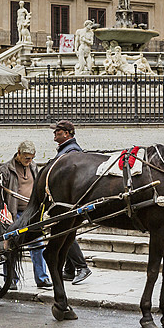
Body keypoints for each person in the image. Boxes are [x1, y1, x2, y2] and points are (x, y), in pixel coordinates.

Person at [0, 140, 51, 290]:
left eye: (32, 158)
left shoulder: (34, 167)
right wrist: (4, 211)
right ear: (19, 154)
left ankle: (42, 278)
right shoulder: (6, 170)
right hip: (13, 213)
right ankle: (11, 279)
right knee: (11, 246)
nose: (29, 161)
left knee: (38, 244)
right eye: (27, 158)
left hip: (31, 212)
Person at [51, 120, 92, 285]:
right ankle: (69, 269)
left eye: (57, 131)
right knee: (65, 232)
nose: (54, 134)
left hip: (68, 199)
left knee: (64, 232)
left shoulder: (71, 151)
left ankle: (82, 266)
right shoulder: (67, 149)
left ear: (66, 133)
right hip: (67, 199)